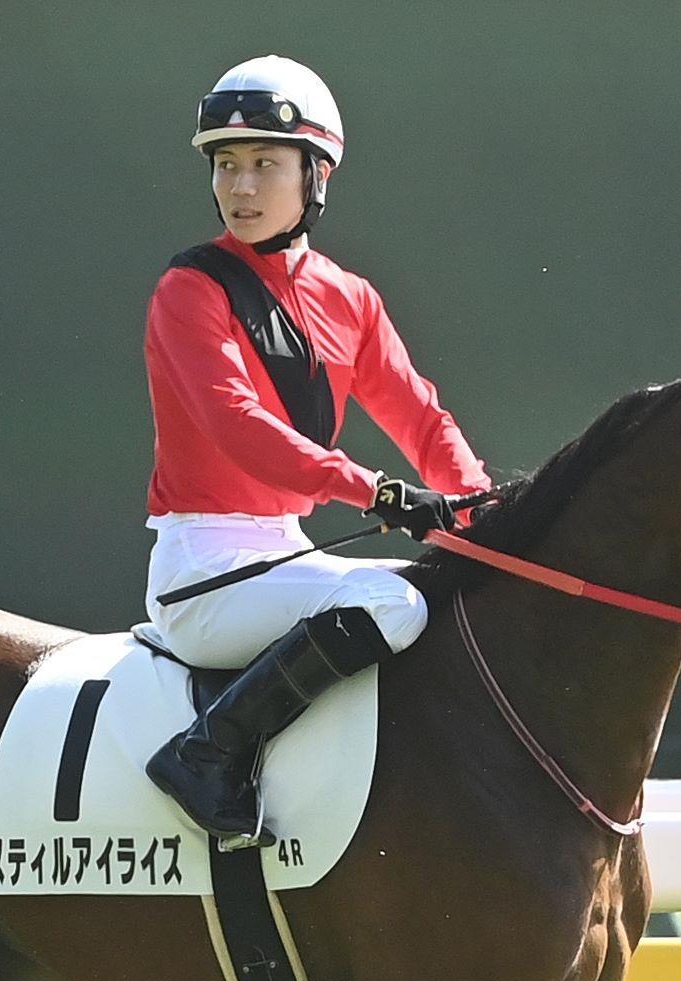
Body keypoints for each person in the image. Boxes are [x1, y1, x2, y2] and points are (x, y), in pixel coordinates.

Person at [143, 54, 489, 848]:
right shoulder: (188, 289)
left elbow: (422, 419)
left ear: (316, 175)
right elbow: (237, 426)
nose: (240, 187)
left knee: (448, 592)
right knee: (397, 602)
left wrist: (480, 511)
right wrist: (377, 491)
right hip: (204, 571)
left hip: (283, 554)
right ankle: (205, 755)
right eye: (226, 165)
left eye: (264, 164)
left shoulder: (349, 297)